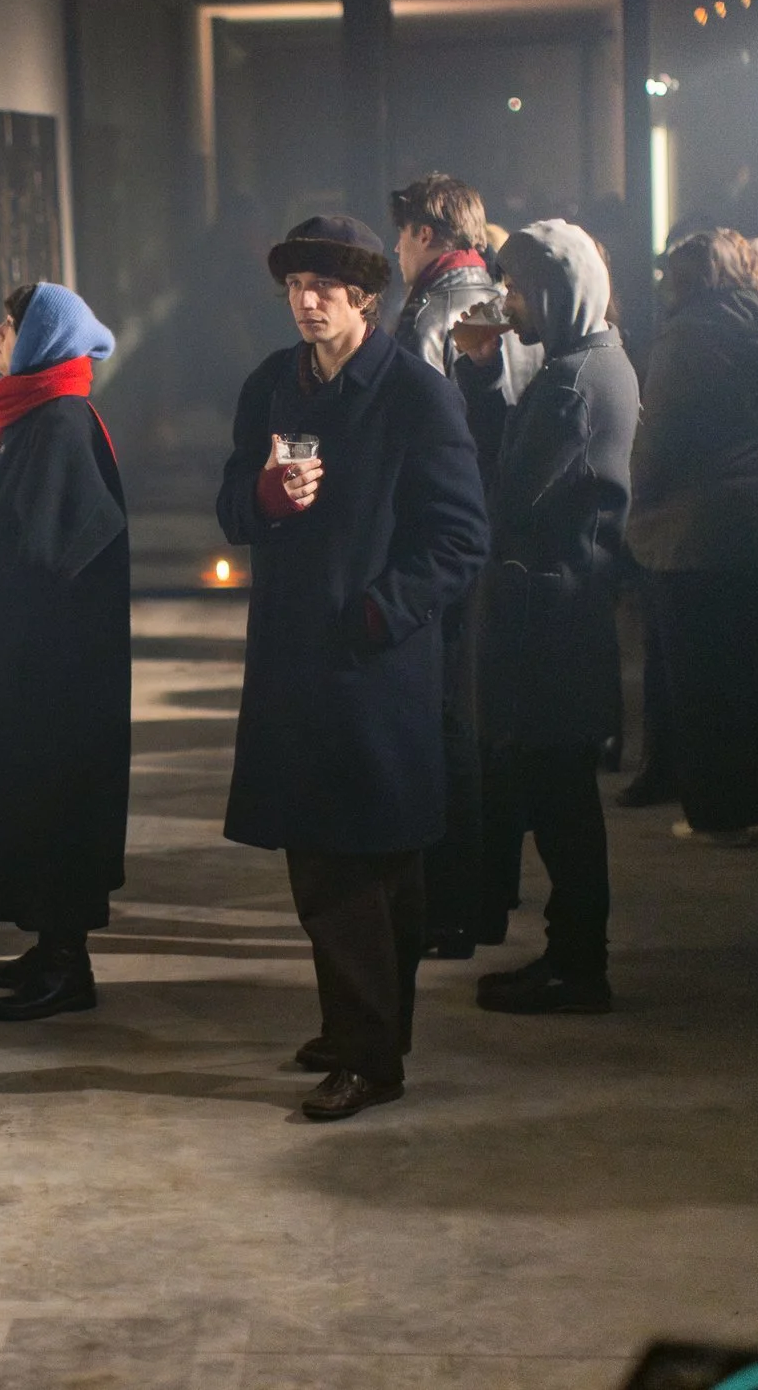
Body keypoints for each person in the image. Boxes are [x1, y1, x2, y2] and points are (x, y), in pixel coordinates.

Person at [217, 214, 489, 1120]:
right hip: (297, 659)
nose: (305, 301)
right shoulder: (273, 387)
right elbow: (231, 506)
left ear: (365, 296)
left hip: (376, 663)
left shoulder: (413, 395)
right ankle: (365, 1032)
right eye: (295, 286)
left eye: (324, 287)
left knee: (369, 865)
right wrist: (264, 495)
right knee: (332, 860)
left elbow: (459, 540)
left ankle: (371, 1052)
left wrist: (380, 612)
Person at [0, 281, 131, 1021]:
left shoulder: (57, 424)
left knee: (54, 809)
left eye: (10, 324)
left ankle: (67, 964)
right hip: (43, 665)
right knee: (34, 806)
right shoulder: (44, 415)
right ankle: (49, 948)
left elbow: (38, 550)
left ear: (42, 337)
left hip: (55, 677)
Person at [465, 222, 639, 1013]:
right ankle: (572, 956)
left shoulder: (573, 381)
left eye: (519, 288)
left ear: (557, 290)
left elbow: (510, 497)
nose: (507, 303)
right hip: (570, 604)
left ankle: (577, 965)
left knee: (561, 802)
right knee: (559, 796)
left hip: (552, 616)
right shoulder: (596, 361)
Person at [630, 228, 758, 845]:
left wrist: (638, 500)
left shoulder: (684, 337)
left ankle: (721, 813)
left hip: (699, 529)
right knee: (753, 677)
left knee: (702, 682)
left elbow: (659, 437)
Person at [390, 173, 533, 961]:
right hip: (482, 516)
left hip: (444, 521)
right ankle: (476, 900)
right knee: (465, 715)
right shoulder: (491, 291)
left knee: (445, 718)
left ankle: (452, 907)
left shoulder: (437, 304)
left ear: (423, 234)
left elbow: (412, 418)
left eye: (402, 235)